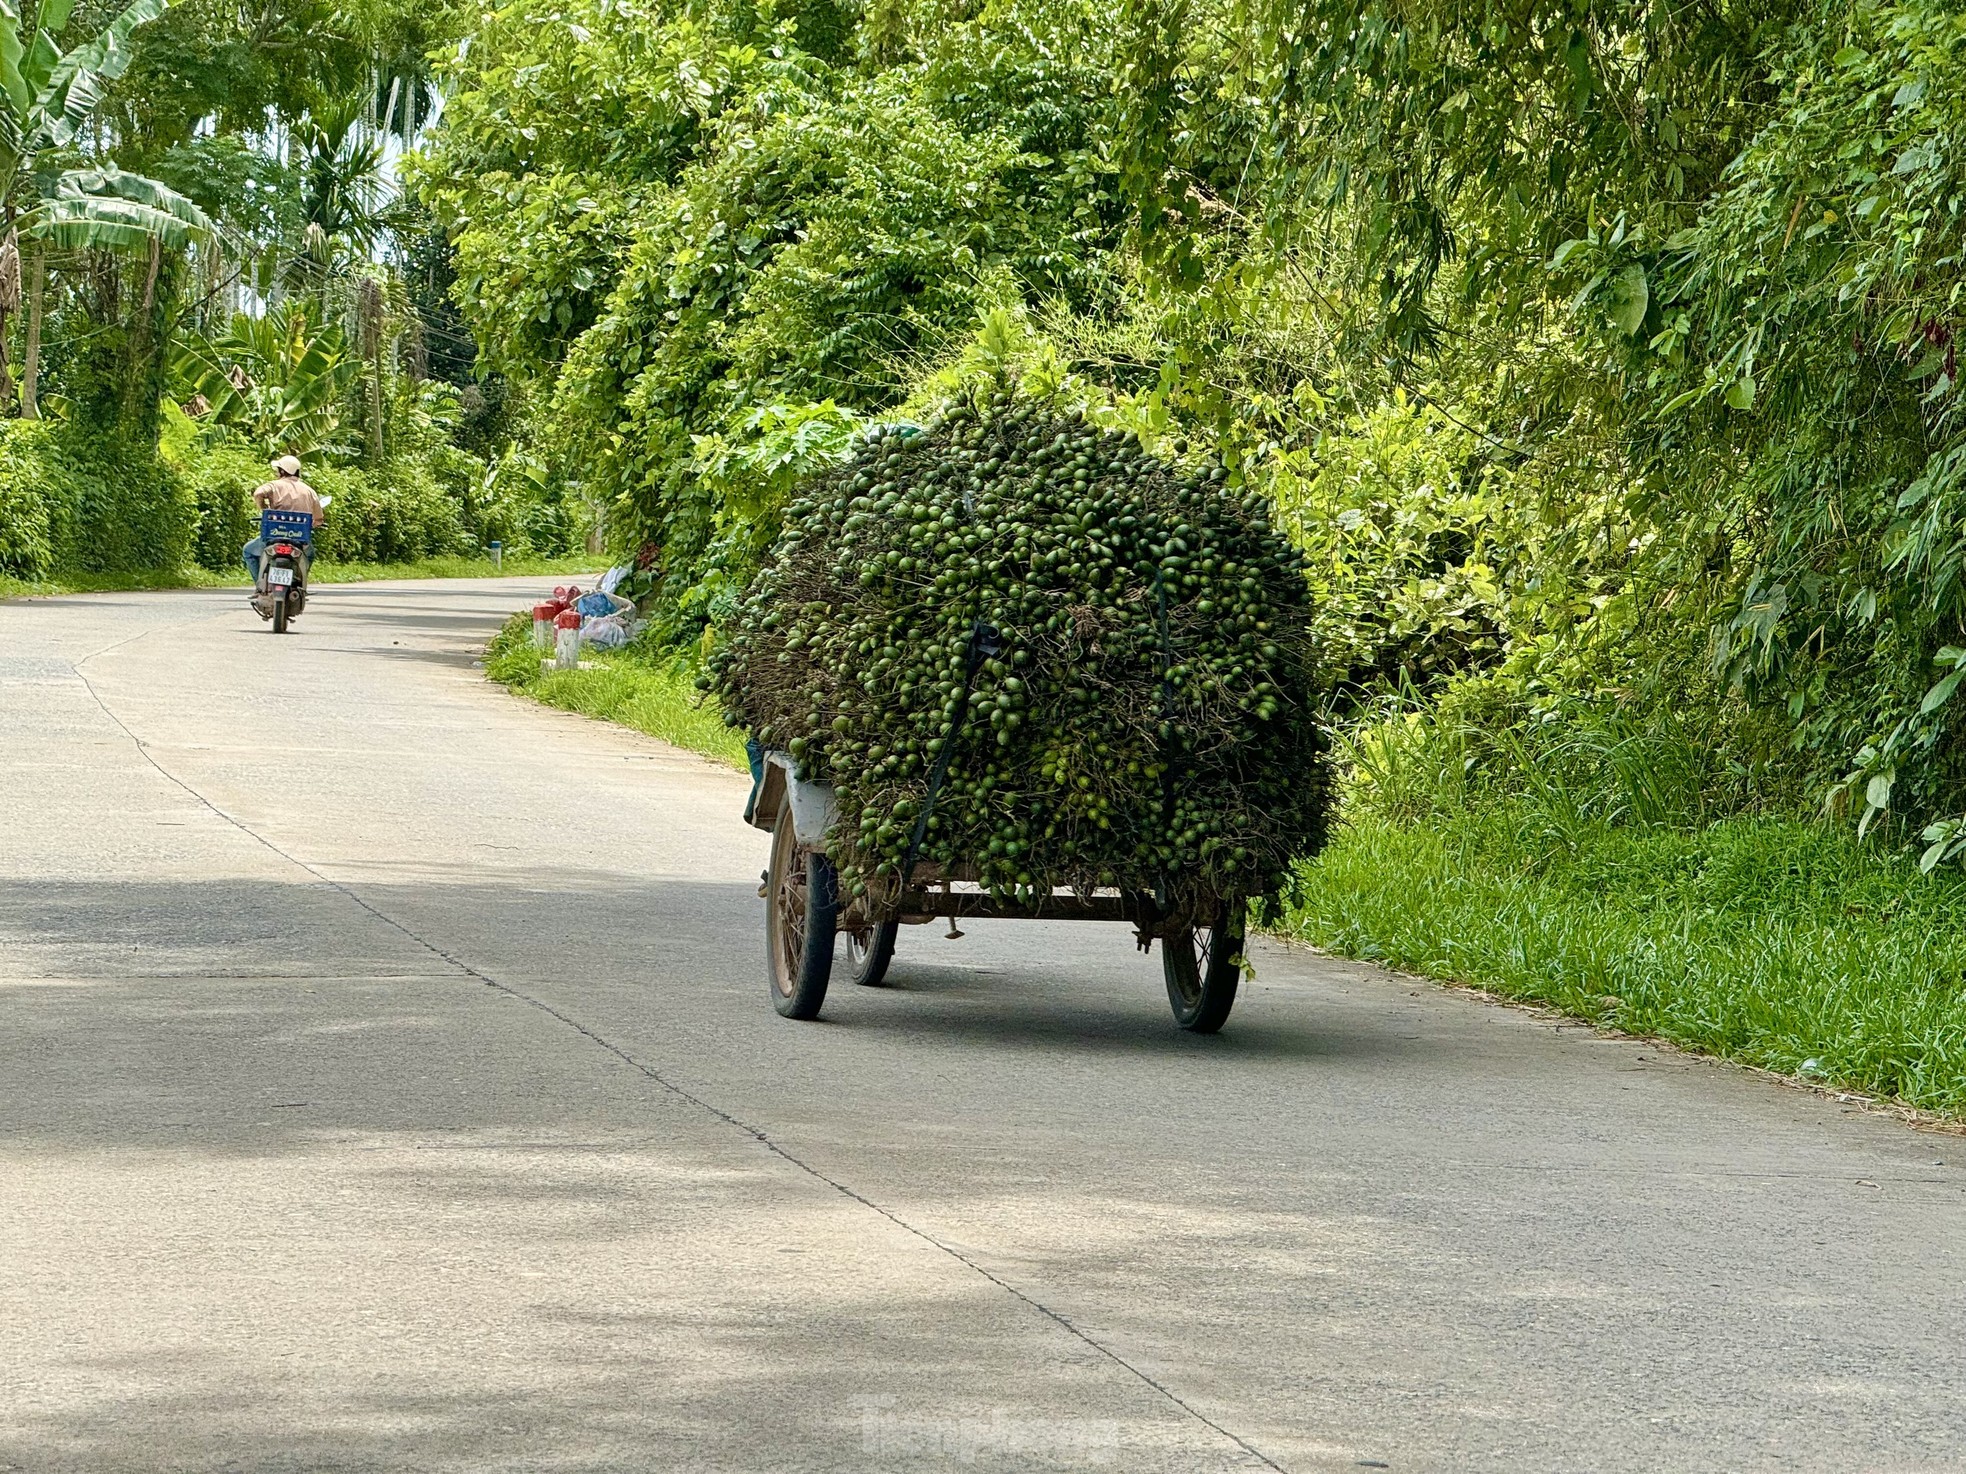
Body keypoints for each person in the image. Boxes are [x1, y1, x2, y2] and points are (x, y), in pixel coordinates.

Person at [242, 455, 325, 584]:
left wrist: (264, 509)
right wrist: (314, 524)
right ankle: (300, 584)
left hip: (273, 537)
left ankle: (260, 584)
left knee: (248, 551)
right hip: (299, 540)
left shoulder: (274, 485)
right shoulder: (309, 491)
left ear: (282, 471)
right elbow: (318, 518)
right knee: (309, 555)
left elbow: (258, 493)